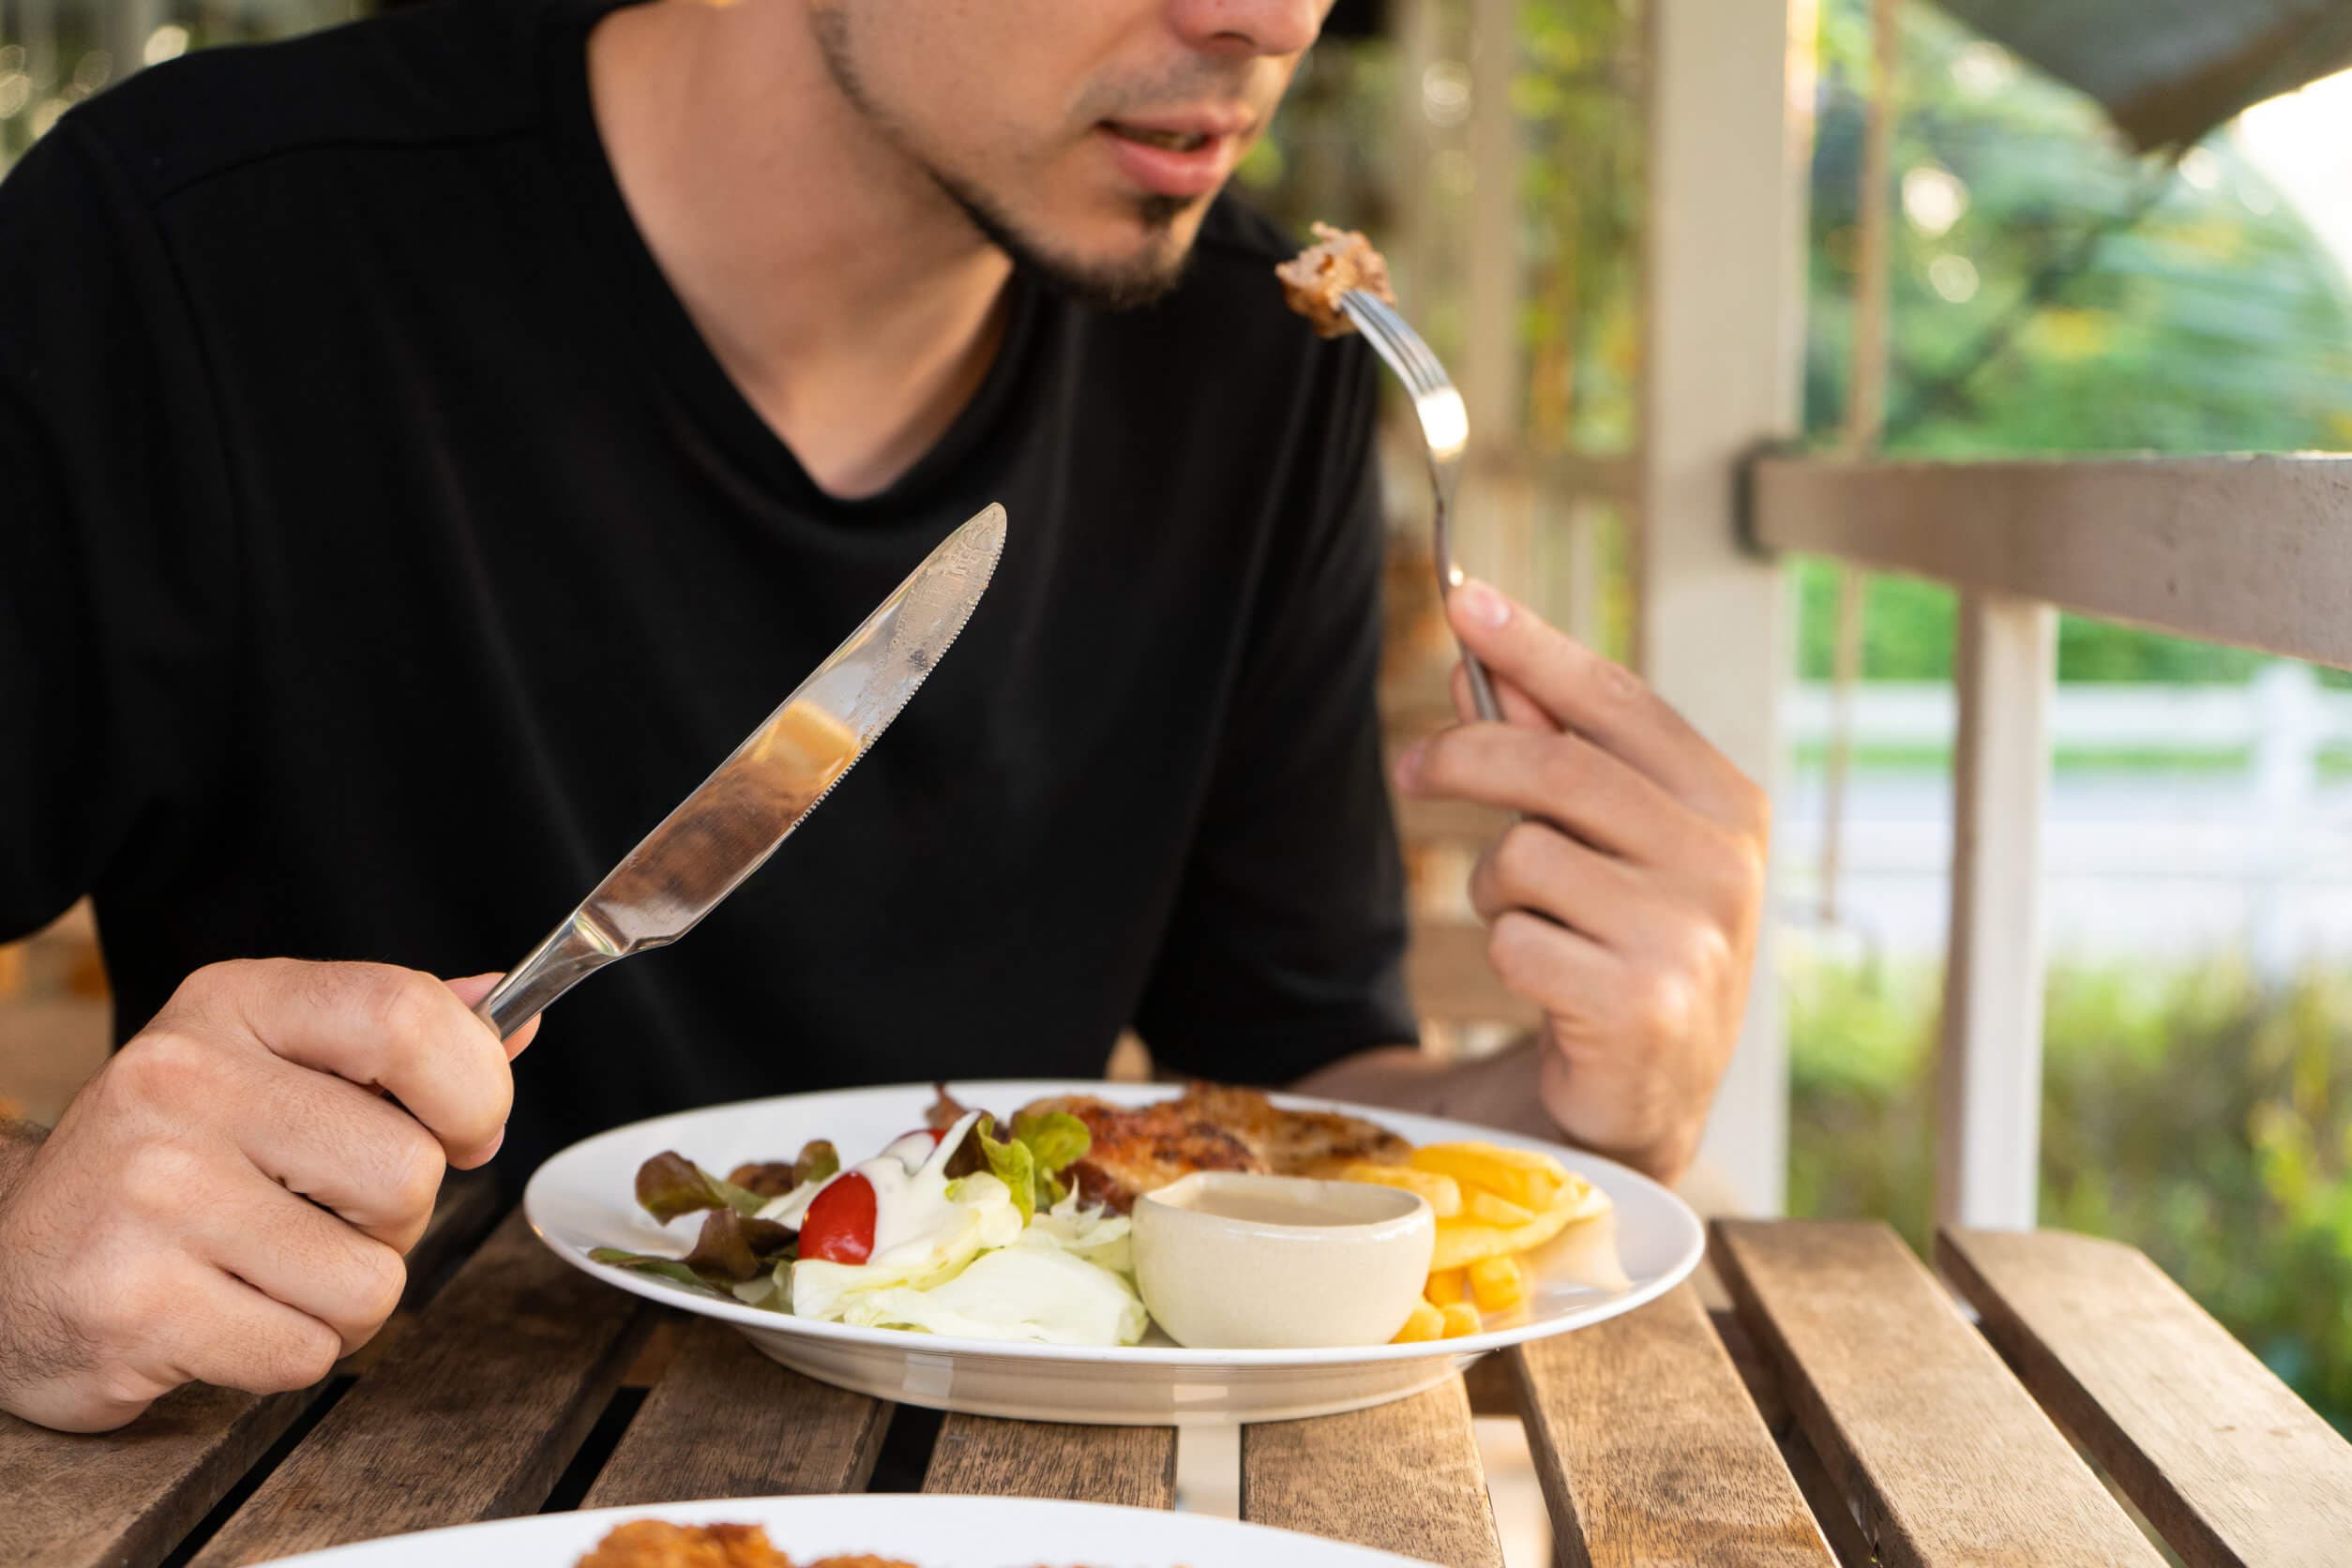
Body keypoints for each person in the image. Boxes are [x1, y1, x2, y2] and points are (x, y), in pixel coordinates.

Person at [0, 0, 1768, 1433]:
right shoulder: (191, 251)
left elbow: (1296, 1094)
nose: (1272, 17)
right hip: (326, 1470)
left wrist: (1555, 1119)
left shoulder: (1253, 366)